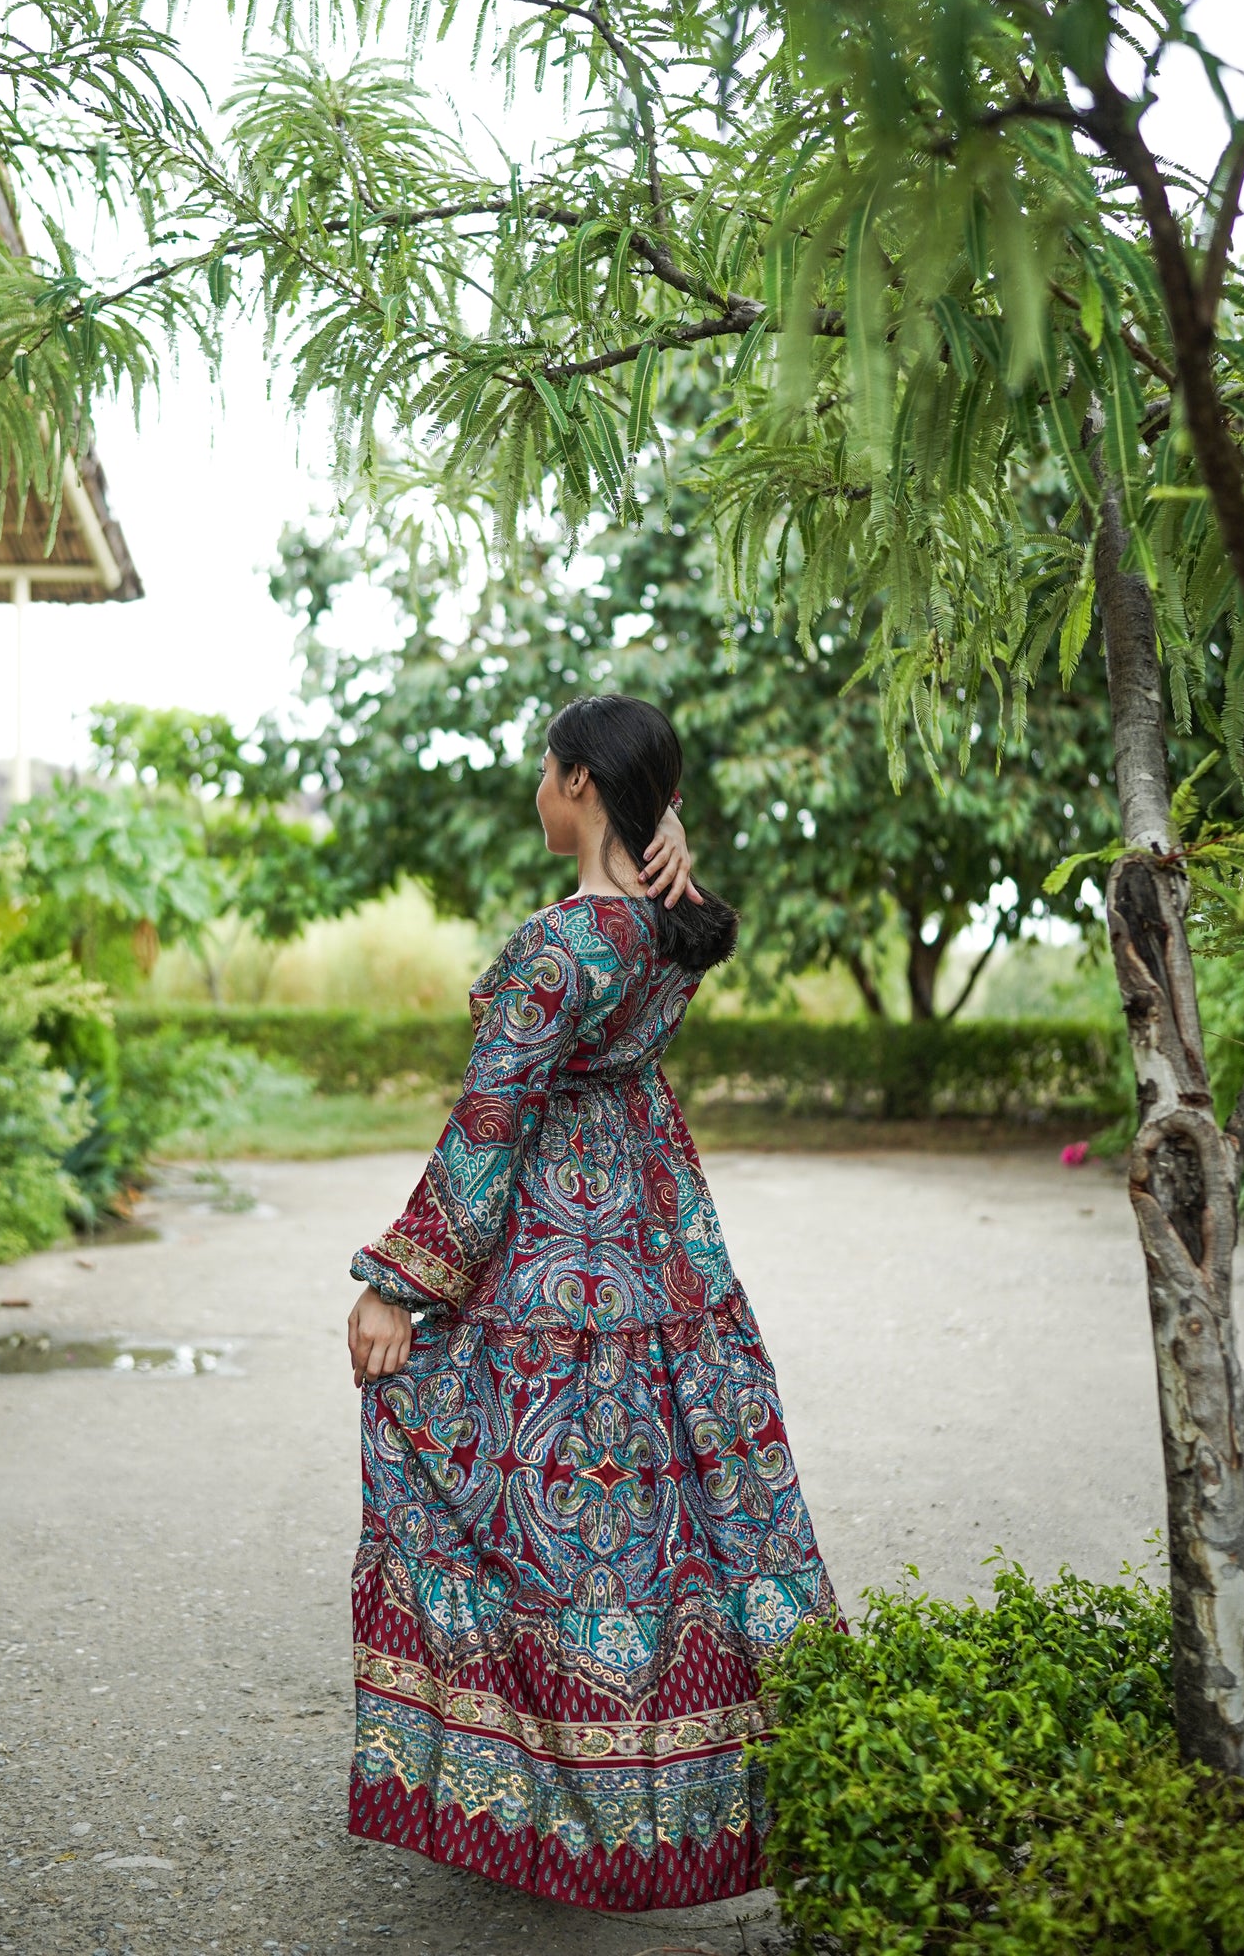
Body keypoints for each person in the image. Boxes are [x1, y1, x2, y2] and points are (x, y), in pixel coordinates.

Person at [344, 694, 842, 1912]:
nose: (536, 786)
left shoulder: (559, 946)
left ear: (574, 781)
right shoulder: (671, 921)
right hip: (660, 1239)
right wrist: (669, 834)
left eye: (543, 768)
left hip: (550, 1250)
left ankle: (543, 1799)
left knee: (511, 1491)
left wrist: (397, 1283)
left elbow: (492, 1117)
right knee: (683, 1516)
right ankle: (687, 1798)